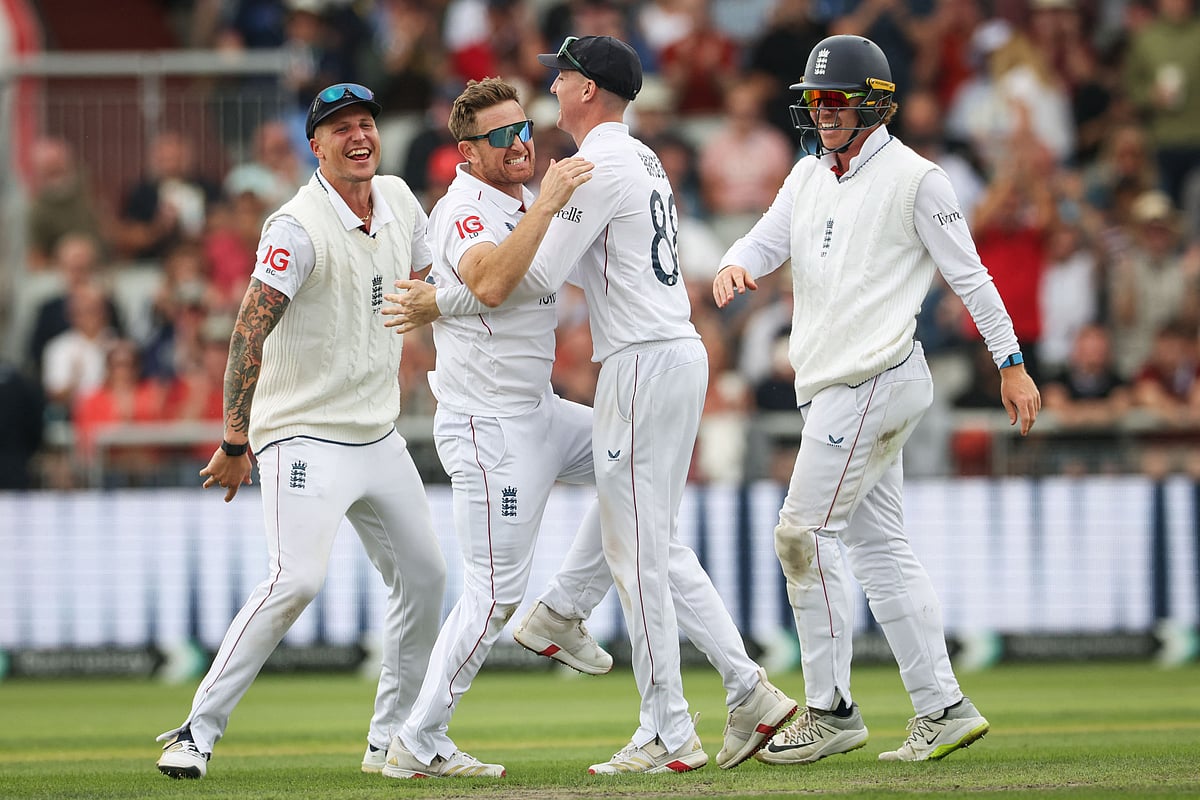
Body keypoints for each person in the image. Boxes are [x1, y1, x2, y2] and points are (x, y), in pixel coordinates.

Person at [388, 37, 798, 776]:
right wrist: (479, 273)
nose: (525, 132)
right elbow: (525, 275)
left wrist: (437, 302)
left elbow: (533, 281)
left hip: (634, 366)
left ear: (584, 89)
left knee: (637, 549)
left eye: (557, 81)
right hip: (536, 407)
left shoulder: (578, 173)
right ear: (465, 152)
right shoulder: (626, 159)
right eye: (503, 133)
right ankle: (734, 687)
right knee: (640, 541)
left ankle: (665, 728)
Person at [712, 35, 1041, 764]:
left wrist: (1010, 364)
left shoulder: (918, 180)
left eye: (838, 101)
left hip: (873, 377)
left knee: (801, 535)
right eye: (817, 100)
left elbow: (974, 279)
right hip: (839, 384)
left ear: (875, 104)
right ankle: (943, 707)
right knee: (879, 548)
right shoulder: (807, 175)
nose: (824, 113)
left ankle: (830, 710)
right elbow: (766, 242)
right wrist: (735, 264)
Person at [154, 83, 447, 780]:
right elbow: (247, 331)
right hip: (304, 434)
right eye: (340, 127)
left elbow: (434, 285)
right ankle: (196, 731)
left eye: (367, 123)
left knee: (428, 577)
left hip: (377, 434)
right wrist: (234, 441)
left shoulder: (401, 199)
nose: (359, 136)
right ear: (313, 145)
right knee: (297, 579)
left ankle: (392, 742)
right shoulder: (295, 225)